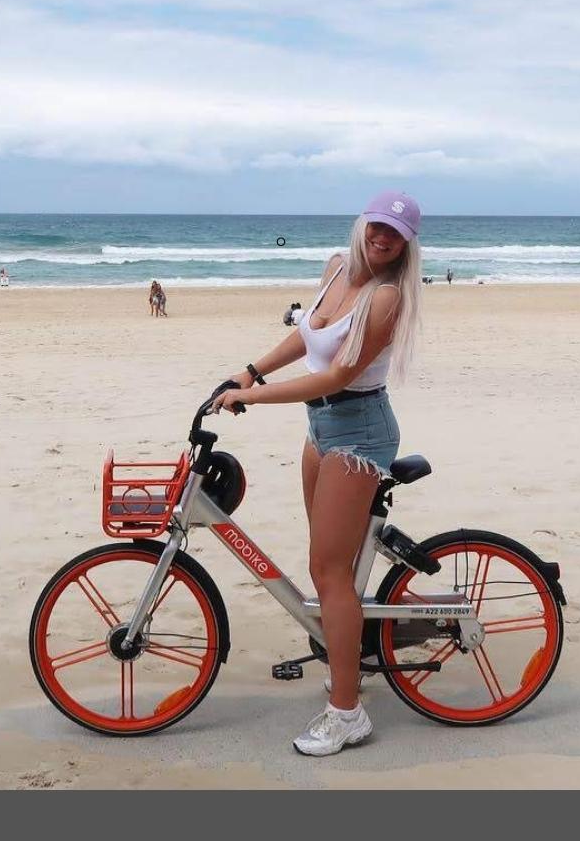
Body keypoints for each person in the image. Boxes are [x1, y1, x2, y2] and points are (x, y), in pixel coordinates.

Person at [212, 190, 422, 756]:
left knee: (327, 571)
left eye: (394, 234)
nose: (382, 238)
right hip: (321, 428)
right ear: (363, 224)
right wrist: (250, 370)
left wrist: (254, 396)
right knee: (332, 566)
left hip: (359, 430)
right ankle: (350, 659)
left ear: (406, 244)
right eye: (377, 226)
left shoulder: (385, 298)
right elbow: (307, 338)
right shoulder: (336, 268)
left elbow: (336, 377)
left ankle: (348, 713)